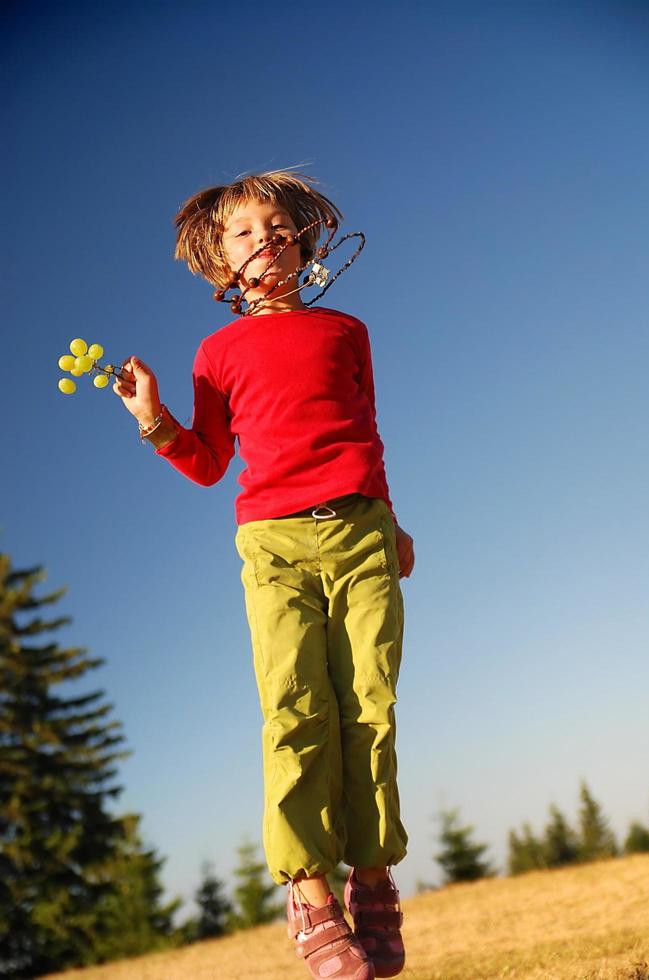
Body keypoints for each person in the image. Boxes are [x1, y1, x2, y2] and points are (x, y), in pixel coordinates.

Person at [113, 171, 415, 980]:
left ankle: (375, 875)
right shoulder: (215, 353)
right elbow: (210, 464)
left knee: (371, 707)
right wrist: (155, 421)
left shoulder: (347, 330)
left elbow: (367, 432)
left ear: (304, 240)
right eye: (244, 233)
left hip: (362, 532)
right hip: (273, 546)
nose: (266, 238)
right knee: (296, 710)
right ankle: (311, 890)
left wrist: (394, 521)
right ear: (222, 266)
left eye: (278, 225)